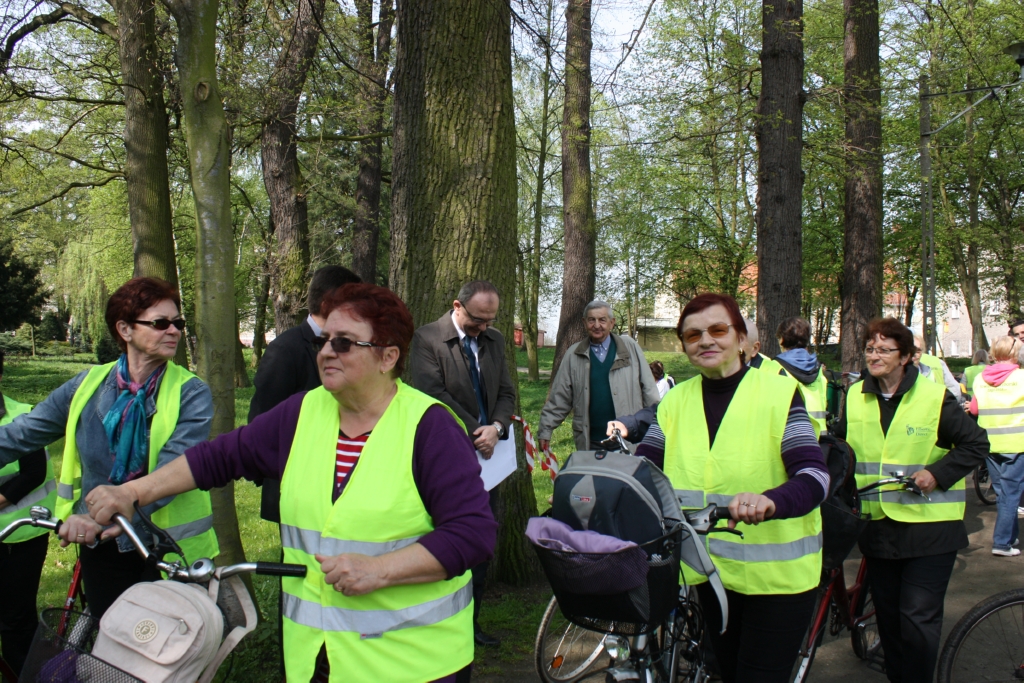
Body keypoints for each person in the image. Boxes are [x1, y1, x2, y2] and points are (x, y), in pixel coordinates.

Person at [82, 283, 495, 683]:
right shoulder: (301, 412)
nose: (327, 351)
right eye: (324, 340)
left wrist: (382, 570)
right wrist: (133, 492)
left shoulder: (430, 427)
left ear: (388, 357)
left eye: (344, 343)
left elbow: (472, 533)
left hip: (412, 664)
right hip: (315, 659)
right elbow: (218, 457)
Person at [630, 293, 829, 683]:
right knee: (724, 673)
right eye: (692, 335)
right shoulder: (675, 401)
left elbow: (814, 476)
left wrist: (771, 500)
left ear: (741, 339)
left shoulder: (779, 393)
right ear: (684, 346)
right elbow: (643, 469)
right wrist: (596, 490)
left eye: (718, 330)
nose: (705, 340)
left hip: (777, 582)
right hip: (710, 575)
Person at [0, 277, 216, 618]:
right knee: (111, 642)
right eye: (160, 323)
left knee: (168, 646)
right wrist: (93, 522)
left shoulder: (191, 392)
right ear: (125, 329)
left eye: (178, 323)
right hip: (101, 545)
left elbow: (173, 469)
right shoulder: (87, 385)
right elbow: (23, 433)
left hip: (169, 549)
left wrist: (100, 515)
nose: (174, 331)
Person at [835, 318, 988, 683]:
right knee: (889, 619)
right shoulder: (854, 396)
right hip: (878, 529)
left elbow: (976, 444)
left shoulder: (933, 397)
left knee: (917, 618)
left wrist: (936, 473)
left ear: (904, 357)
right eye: (870, 349)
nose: (874, 356)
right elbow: (842, 449)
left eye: (884, 350)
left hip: (931, 532)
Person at [409, 280, 515, 647]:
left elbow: (506, 392)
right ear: (457, 306)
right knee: (445, 537)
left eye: (490, 320)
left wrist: (496, 428)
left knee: (479, 538)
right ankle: (437, 623)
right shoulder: (427, 339)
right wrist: (475, 431)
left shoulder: (494, 340)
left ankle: (471, 623)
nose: (483, 328)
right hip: (447, 455)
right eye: (477, 320)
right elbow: (432, 394)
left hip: (490, 459)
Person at [249, 265, 361, 524]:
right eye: (352, 301)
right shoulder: (285, 350)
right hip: (295, 487)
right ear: (327, 304)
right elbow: (262, 422)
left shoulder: (348, 345)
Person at [538, 301, 659, 451]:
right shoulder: (573, 355)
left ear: (611, 323)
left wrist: (658, 426)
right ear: (584, 323)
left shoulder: (629, 347)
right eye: (591, 320)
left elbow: (649, 389)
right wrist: (546, 429)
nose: (596, 325)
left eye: (602, 320)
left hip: (628, 440)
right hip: (590, 442)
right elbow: (560, 397)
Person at [0, 351, 55, 679]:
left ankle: (25, 675)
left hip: (19, 537)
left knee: (15, 622)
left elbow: (33, 473)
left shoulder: (22, 416)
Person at [967, 337, 1024, 556]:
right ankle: (1002, 543)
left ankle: (1010, 536)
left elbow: (974, 409)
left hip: (990, 443)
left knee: (1003, 492)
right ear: (1016, 353)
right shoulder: (1021, 377)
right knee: (1011, 493)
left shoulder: (981, 378)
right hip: (1017, 443)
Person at [775, 317, 828, 437]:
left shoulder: (774, 368)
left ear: (782, 339)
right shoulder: (818, 369)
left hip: (791, 439)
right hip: (821, 440)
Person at [913, 334, 963, 403]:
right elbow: (955, 391)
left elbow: (955, 391)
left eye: (918, 351)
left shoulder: (931, 368)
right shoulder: (937, 362)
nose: (914, 354)